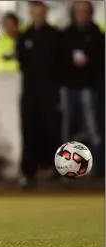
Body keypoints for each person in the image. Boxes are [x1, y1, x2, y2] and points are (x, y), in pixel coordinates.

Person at [16, 1, 63, 188]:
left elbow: (61, 64)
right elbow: (22, 62)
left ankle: (57, 171)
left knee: (53, 131)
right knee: (29, 133)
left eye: (40, 13)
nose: (37, 16)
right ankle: (29, 173)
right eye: (34, 13)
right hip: (30, 93)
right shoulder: (25, 36)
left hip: (50, 93)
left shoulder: (55, 36)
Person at [61, 1, 104, 177]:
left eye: (84, 11)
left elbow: (101, 61)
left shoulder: (96, 34)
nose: (81, 14)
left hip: (90, 88)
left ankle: (99, 168)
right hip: (70, 87)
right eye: (78, 11)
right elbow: (59, 59)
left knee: (94, 129)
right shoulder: (66, 34)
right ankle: (68, 169)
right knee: (68, 129)